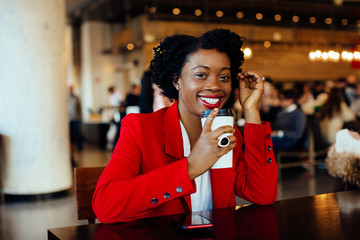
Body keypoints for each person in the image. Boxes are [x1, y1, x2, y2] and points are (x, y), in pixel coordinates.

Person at [92, 29, 278, 223]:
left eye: (224, 77)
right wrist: (191, 166)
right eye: (201, 75)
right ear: (176, 81)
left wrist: (251, 110)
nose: (215, 85)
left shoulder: (226, 134)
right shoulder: (141, 129)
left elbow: (262, 194)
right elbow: (105, 207)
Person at [271, 89, 307, 154]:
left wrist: (279, 133)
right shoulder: (280, 111)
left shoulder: (298, 114)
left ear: (291, 100)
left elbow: (298, 134)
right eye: (280, 99)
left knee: (265, 142)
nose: (281, 101)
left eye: (283, 99)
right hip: (280, 139)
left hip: (291, 141)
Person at [68, 85, 83, 166]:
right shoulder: (66, 98)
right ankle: (71, 158)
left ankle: (79, 146)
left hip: (76, 118)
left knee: (76, 134)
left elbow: (79, 107)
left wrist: (80, 116)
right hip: (69, 119)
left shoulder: (76, 97)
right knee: (71, 138)